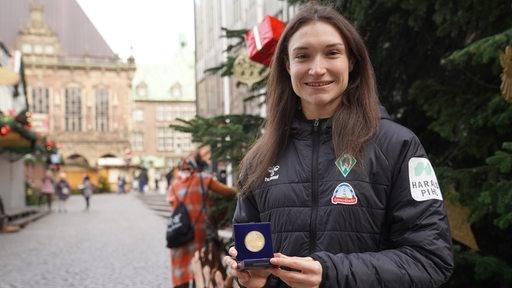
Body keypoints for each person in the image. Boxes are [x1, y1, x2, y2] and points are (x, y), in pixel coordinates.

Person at [223, 3, 454, 288]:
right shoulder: (260, 157)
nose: (317, 69)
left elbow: (430, 259)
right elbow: (248, 249)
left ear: (352, 61)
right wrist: (250, 277)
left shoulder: (399, 146)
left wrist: (331, 273)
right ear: (287, 64)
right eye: (303, 56)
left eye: (332, 53)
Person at [167, 148, 236, 288]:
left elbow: (171, 204)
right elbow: (228, 192)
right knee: (202, 265)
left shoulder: (174, 185)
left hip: (180, 232)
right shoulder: (203, 178)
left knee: (182, 267)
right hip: (200, 233)